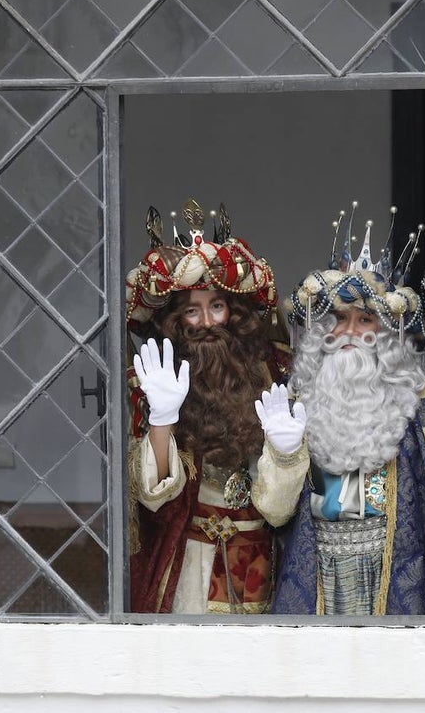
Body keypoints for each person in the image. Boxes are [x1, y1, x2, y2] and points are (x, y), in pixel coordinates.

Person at [252, 211, 425, 615]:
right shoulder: (297, 406)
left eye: (364, 319)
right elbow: (274, 513)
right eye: (339, 319)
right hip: (318, 579)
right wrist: (284, 454)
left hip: (395, 579)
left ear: (386, 332)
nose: (350, 332)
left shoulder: (416, 406)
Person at [125, 201, 289, 614]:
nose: (207, 322)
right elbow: (155, 497)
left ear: (232, 313)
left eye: (216, 306)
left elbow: (281, 507)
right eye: (192, 312)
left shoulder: (267, 373)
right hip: (192, 565)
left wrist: (288, 453)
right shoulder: (157, 380)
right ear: (175, 325)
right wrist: (163, 418)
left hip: (258, 562)